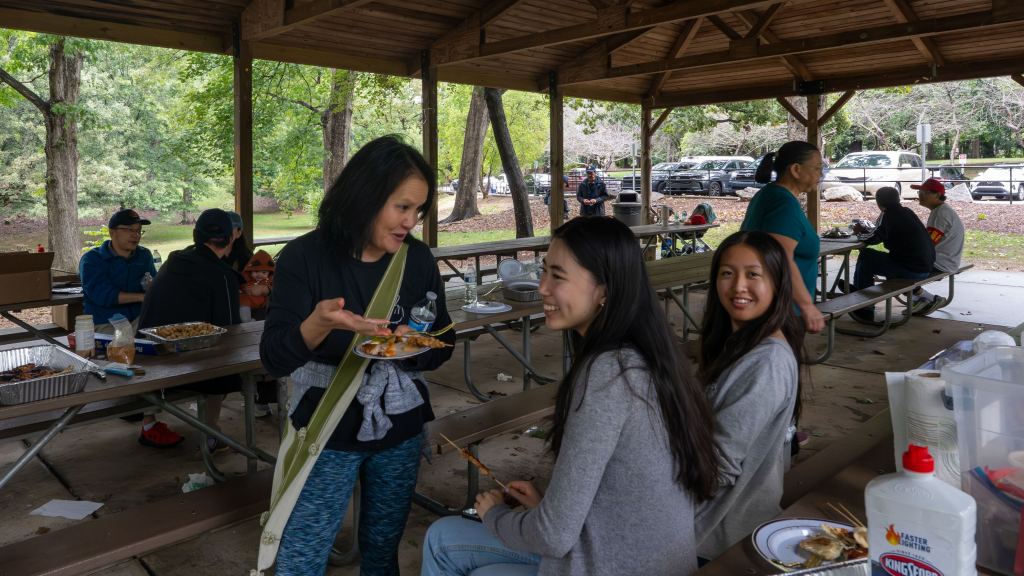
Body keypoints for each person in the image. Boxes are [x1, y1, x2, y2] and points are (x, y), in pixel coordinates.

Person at [422, 216, 719, 576]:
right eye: (544, 271)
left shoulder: (609, 375)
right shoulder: (648, 356)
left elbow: (553, 536)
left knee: (458, 555)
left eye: (558, 276)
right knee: (445, 536)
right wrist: (546, 506)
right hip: (633, 553)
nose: (542, 287)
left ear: (604, 290)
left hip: (613, 563)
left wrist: (496, 515)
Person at [258, 136, 455, 575]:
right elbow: (274, 359)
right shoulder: (304, 258)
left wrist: (414, 346)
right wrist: (319, 324)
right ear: (365, 196)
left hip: (400, 425)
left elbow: (445, 340)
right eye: (402, 207)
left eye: (419, 210)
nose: (411, 221)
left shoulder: (417, 259)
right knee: (302, 556)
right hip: (326, 427)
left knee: (382, 549)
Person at [694, 231, 803, 560]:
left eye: (753, 274)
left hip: (717, 536)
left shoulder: (766, 362)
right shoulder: (739, 344)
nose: (738, 286)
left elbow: (717, 467)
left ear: (777, 282)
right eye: (727, 273)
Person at [138, 208, 244, 452]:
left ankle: (152, 422)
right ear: (230, 238)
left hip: (148, 356)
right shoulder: (222, 275)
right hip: (189, 368)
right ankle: (210, 433)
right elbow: (231, 330)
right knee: (226, 368)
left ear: (196, 235)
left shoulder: (173, 262)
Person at [80, 209, 183, 448]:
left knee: (163, 344)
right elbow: (102, 295)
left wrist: (157, 290)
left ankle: (146, 409)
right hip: (104, 323)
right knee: (133, 354)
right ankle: (147, 421)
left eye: (139, 231)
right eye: (129, 230)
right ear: (112, 232)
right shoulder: (92, 259)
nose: (135, 235)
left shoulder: (144, 255)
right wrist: (142, 297)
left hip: (139, 318)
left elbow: (152, 285)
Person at [741, 141, 825, 334]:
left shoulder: (771, 194)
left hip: (773, 307)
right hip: (780, 311)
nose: (820, 175)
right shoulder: (783, 203)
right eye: (817, 168)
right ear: (795, 170)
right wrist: (806, 305)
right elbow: (780, 259)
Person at [850, 187, 935, 323]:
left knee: (866, 256)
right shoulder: (907, 212)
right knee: (870, 257)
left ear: (878, 203)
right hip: (925, 267)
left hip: (911, 270)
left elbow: (873, 239)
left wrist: (859, 232)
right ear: (898, 199)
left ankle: (864, 307)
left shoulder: (888, 214)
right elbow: (881, 232)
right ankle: (860, 291)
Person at [910, 177, 964, 315]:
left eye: (925, 193)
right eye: (920, 192)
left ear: (937, 195)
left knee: (895, 268)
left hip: (939, 263)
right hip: (948, 260)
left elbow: (928, 244)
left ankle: (924, 299)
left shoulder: (940, 213)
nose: (920, 195)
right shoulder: (942, 210)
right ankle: (922, 298)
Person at [223, 210, 253, 276]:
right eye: (221, 228)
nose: (224, 232)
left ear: (239, 233)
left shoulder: (246, 257)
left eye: (229, 229)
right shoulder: (208, 254)